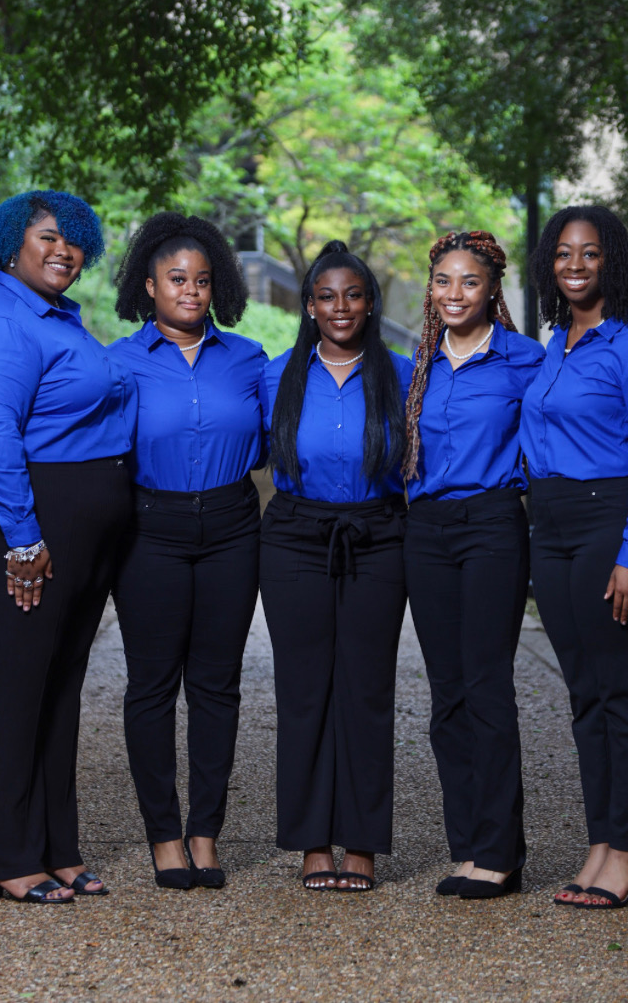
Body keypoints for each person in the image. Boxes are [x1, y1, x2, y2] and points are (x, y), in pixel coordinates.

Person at [0, 191, 136, 903]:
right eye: (49, 237)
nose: (64, 251)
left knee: (58, 684)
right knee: (18, 682)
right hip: (9, 517)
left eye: (76, 242)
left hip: (65, 519)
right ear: (10, 245)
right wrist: (22, 539)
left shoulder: (57, 320)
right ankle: (9, 857)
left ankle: (56, 845)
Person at [521, 204, 628, 910]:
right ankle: (604, 840)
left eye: (589, 253)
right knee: (584, 694)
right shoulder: (554, 346)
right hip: (552, 524)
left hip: (616, 520)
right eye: (562, 254)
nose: (575, 266)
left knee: (621, 687)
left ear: (612, 261)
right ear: (547, 267)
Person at [109, 213, 267, 891]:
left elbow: (276, 438)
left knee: (216, 685)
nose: (191, 291)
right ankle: (163, 836)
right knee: (151, 687)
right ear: (150, 285)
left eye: (203, 280)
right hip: (150, 529)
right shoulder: (117, 362)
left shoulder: (250, 359)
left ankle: (206, 833)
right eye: (177, 279)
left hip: (233, 523)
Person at [259, 240, 412, 892]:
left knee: (367, 692)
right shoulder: (275, 375)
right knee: (303, 692)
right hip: (296, 537)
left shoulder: (406, 371)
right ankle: (311, 843)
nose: (340, 306)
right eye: (326, 296)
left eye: (353, 294)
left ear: (370, 303)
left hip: (379, 536)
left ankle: (364, 844)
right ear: (309, 306)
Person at [402, 230, 544, 899]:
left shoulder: (525, 360)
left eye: (469, 282)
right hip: (426, 531)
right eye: (443, 282)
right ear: (431, 290)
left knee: (486, 688)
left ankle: (500, 852)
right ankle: (467, 847)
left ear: (492, 290)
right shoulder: (419, 364)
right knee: (447, 695)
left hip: (492, 526)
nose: (454, 293)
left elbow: (548, 437)